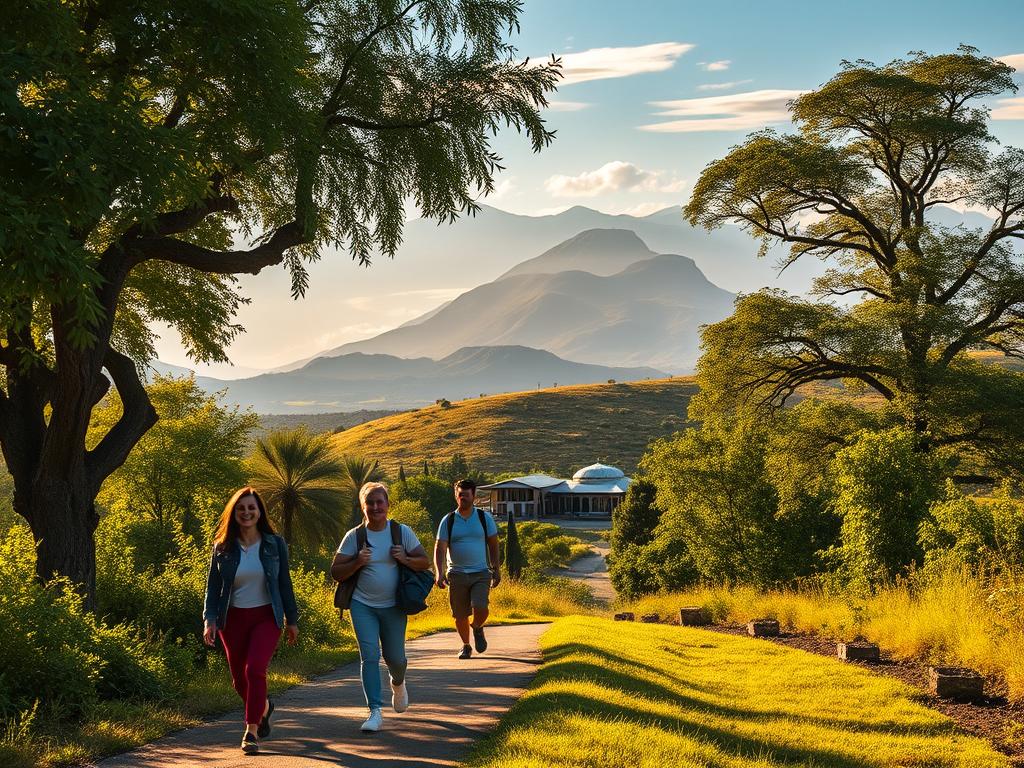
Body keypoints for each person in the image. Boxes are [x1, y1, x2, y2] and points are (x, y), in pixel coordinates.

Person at [203, 486, 299, 755]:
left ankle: (251, 730)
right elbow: (212, 587)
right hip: (231, 619)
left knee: (254, 669)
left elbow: (284, 583)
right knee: (238, 681)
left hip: (266, 616)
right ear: (234, 513)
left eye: (251, 508)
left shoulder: (274, 544)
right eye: (241, 508)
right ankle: (265, 708)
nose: (246, 512)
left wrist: (291, 619)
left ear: (259, 512)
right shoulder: (222, 547)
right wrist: (209, 620)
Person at [331, 482, 431, 732]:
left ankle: (398, 682)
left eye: (380, 502)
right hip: (362, 604)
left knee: (396, 659)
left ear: (388, 505)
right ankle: (374, 711)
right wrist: (357, 562)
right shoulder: (354, 536)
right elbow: (336, 571)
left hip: (394, 606)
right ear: (362, 507)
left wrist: (405, 558)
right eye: (370, 503)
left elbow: (424, 562)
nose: (375, 507)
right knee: (369, 657)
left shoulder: (401, 532)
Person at [433, 478, 500, 659]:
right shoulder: (448, 520)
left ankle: (477, 626)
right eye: (460, 495)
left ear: (474, 496)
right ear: (456, 496)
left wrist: (496, 568)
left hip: (480, 572)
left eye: (466, 495)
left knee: (481, 606)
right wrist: (439, 572)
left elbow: (493, 545)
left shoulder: (483, 518)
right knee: (460, 614)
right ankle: (466, 645)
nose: (463, 498)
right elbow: (440, 548)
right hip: (456, 573)